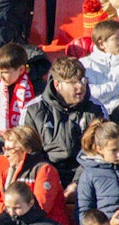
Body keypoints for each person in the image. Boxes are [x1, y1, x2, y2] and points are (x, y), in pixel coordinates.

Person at [21, 57, 105, 192]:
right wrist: (51, 178)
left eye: (82, 80)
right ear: (57, 85)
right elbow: (29, 152)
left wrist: (78, 182)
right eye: (73, 82)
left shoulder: (95, 109)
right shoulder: (33, 109)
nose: (80, 86)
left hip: (85, 172)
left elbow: (98, 150)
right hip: (46, 173)